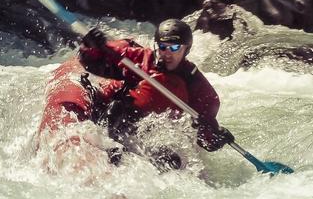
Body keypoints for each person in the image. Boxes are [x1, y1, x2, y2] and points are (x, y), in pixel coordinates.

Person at [78, 19, 234, 168]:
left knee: (172, 161)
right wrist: (90, 46)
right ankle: (105, 149)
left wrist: (215, 139)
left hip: (150, 131)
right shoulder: (144, 58)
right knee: (116, 108)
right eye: (163, 47)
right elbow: (98, 60)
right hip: (121, 119)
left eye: (174, 48)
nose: (167, 53)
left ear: (186, 49)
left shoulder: (194, 82)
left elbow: (205, 132)